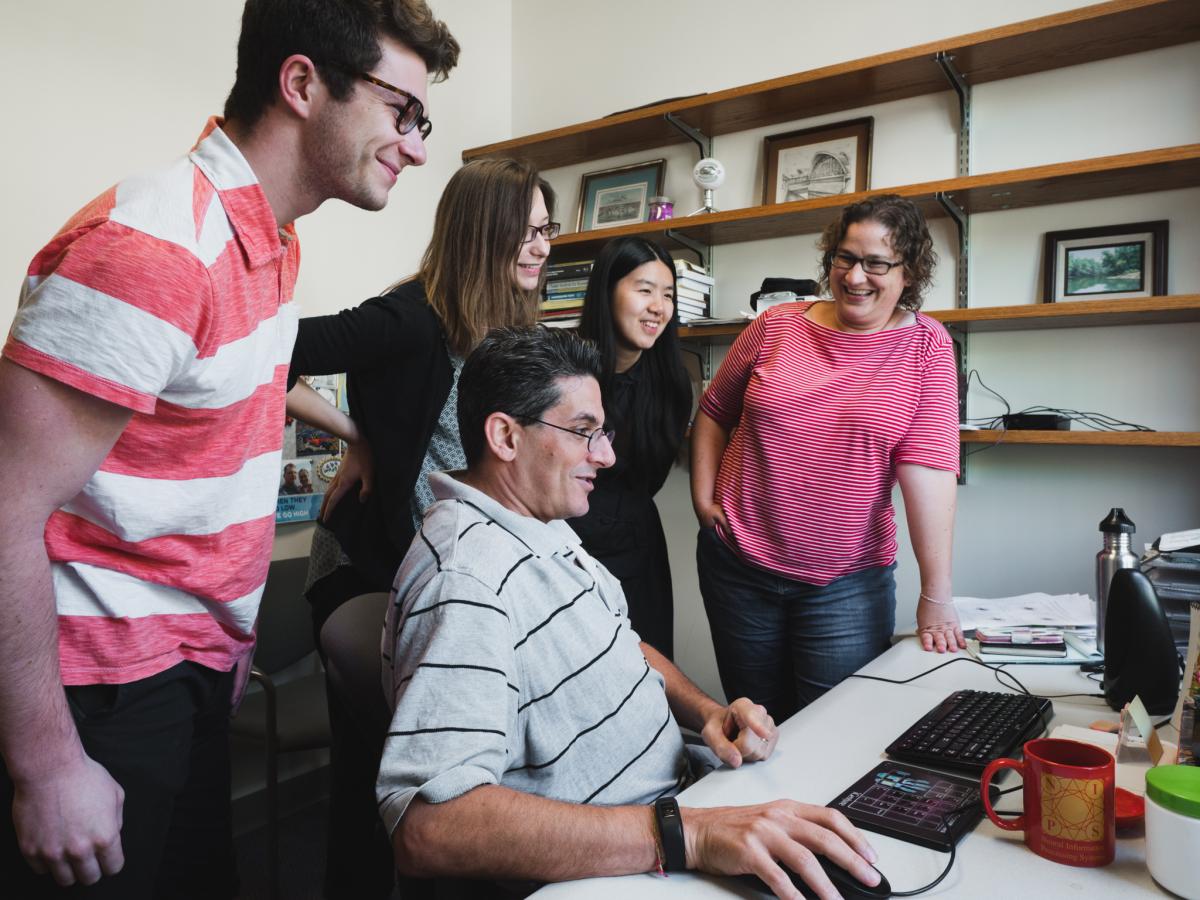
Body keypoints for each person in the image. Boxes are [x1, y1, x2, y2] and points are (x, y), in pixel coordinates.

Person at [0, 1, 459, 897]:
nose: (417, 145)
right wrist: (48, 766)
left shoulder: (270, 241)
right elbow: (5, 509)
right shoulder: (159, 244)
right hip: (100, 691)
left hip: (194, 668)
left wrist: (229, 627)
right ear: (300, 84)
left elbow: (234, 401)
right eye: (401, 111)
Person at [376, 326, 883, 900]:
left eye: (604, 432)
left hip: (680, 807)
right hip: (634, 860)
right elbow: (428, 827)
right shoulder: (466, 582)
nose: (607, 456)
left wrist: (706, 712)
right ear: (505, 437)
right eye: (583, 433)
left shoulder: (539, 526)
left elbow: (616, 641)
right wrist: (686, 835)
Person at [283, 156, 557, 898]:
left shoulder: (507, 329)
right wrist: (355, 434)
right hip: (366, 567)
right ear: (482, 233)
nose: (541, 247)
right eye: (525, 231)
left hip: (443, 566)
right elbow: (268, 352)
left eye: (546, 229)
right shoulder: (408, 317)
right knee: (390, 775)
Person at [690, 193, 964, 725]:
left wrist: (937, 595)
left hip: (846, 584)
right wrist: (703, 496)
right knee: (755, 726)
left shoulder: (927, 347)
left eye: (877, 263)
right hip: (737, 568)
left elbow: (927, 472)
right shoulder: (776, 326)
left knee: (834, 731)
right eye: (845, 258)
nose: (856, 276)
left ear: (908, 273)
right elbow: (714, 410)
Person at [568, 237, 691, 658]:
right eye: (644, 290)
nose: (659, 305)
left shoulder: (670, 385)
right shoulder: (562, 371)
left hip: (638, 551)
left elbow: (649, 480)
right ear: (608, 291)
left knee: (647, 676)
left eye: (668, 294)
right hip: (566, 548)